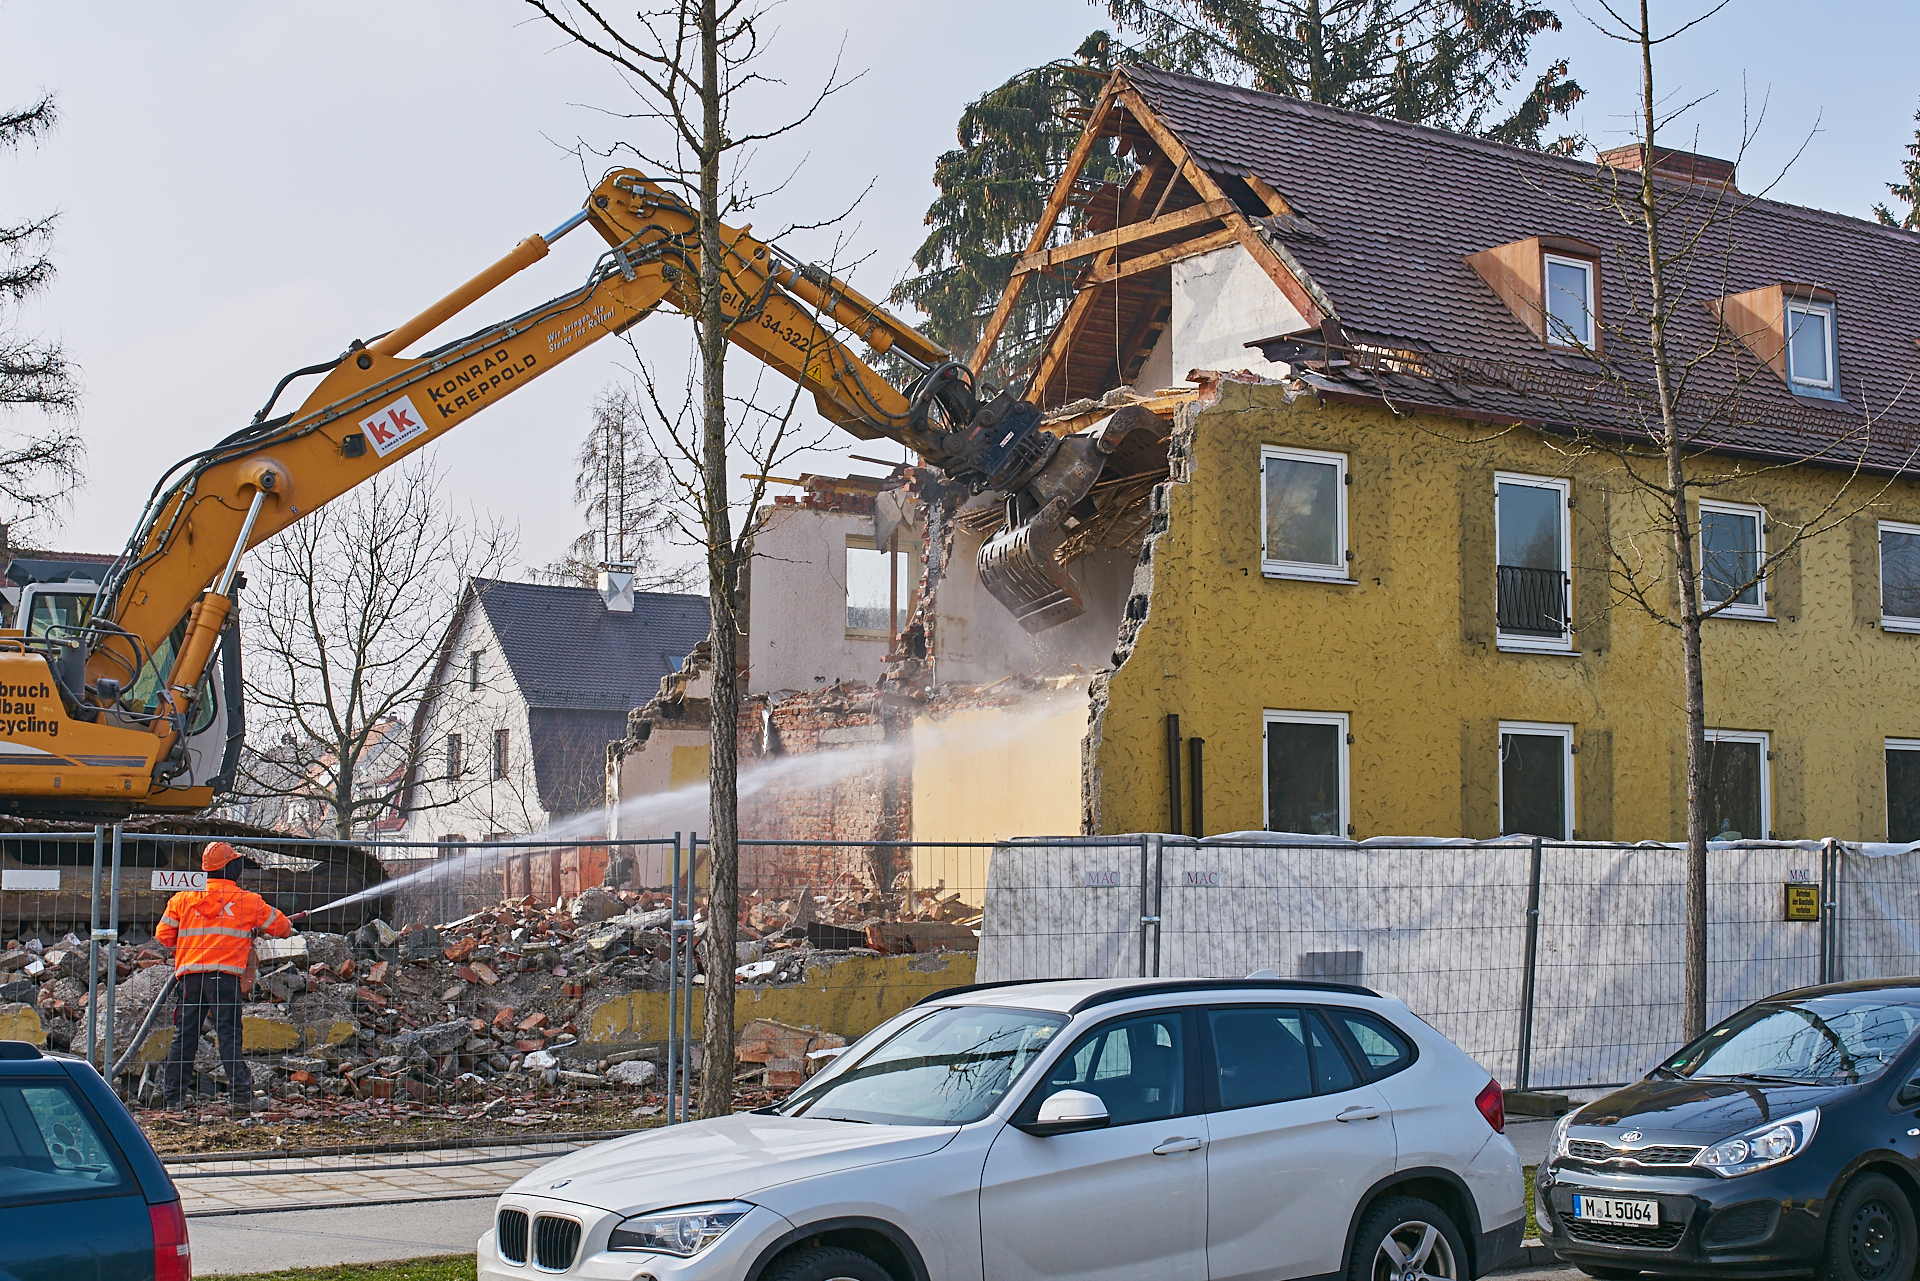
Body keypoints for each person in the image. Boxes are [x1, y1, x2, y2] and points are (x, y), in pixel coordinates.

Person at [154, 841, 292, 1112]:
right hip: (225, 979)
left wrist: (188, 951)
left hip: (190, 978)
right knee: (228, 1036)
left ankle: (174, 1100)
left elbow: (163, 936)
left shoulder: (182, 899)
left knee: (185, 1036)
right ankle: (241, 1098)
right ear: (233, 868)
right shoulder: (246, 901)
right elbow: (282, 927)